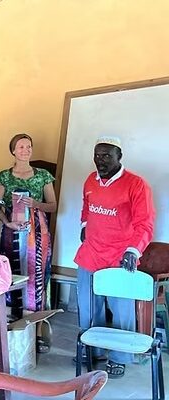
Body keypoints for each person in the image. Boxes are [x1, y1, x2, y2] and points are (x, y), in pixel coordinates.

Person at [74, 136, 155, 378]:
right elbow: (86, 206)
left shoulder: (136, 184)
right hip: (91, 253)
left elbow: (145, 223)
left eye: (107, 155)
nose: (101, 160)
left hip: (120, 256)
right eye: (97, 155)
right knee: (88, 306)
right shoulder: (91, 180)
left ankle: (120, 356)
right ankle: (93, 349)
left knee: (121, 312)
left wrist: (134, 250)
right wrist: (85, 225)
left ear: (119, 156)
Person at [0, 134, 57, 320]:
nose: (26, 150)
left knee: (36, 270)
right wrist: (7, 222)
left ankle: (37, 320)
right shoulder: (3, 177)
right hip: (11, 229)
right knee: (11, 269)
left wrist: (36, 204)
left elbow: (53, 206)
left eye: (29, 146)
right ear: (13, 150)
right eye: (21, 147)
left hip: (37, 231)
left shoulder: (43, 175)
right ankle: (11, 318)